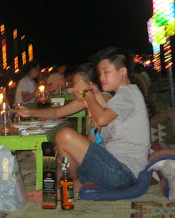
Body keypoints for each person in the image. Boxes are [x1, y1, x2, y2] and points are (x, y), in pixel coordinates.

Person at [27, 47, 150, 203]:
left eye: (106, 72)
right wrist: (94, 104)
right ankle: (67, 187)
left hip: (123, 172)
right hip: (111, 168)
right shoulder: (113, 100)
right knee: (57, 153)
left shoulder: (128, 93)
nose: (102, 77)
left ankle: (66, 187)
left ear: (122, 72)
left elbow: (103, 120)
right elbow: (97, 141)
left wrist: (88, 94)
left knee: (65, 135)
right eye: (100, 73)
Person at [15, 63, 112, 129]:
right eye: (73, 84)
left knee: (65, 136)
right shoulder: (86, 100)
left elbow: (97, 136)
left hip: (114, 154)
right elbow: (56, 113)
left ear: (90, 85)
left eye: (77, 85)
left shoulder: (104, 99)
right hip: (101, 148)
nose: (74, 89)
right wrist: (30, 112)